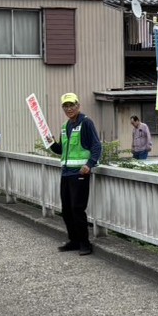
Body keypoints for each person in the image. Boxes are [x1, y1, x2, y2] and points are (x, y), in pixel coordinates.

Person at [48, 93, 102, 256]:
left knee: (77, 209)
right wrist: (51, 143)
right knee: (66, 210)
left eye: (72, 105)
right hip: (66, 173)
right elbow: (61, 151)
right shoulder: (65, 126)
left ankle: (85, 243)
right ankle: (74, 240)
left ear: (78, 106)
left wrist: (89, 164)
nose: (69, 108)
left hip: (80, 172)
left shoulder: (86, 122)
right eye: (66, 106)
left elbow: (96, 146)